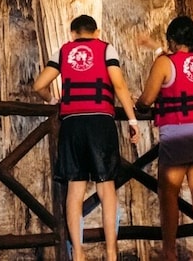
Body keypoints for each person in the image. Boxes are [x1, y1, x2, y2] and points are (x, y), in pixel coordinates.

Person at [33, 15, 140, 261]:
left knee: (74, 188)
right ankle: (111, 253)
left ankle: (78, 254)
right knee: (106, 187)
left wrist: (51, 100)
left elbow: (38, 84)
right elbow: (119, 85)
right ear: (97, 31)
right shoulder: (105, 48)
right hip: (100, 121)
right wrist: (133, 121)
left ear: (72, 33)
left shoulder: (64, 51)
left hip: (71, 124)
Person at [135, 16, 193, 261]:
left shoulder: (163, 62)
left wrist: (137, 103)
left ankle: (169, 251)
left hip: (177, 133)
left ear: (172, 40)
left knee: (168, 191)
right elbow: (181, 64)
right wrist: (153, 45)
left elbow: (147, 99)